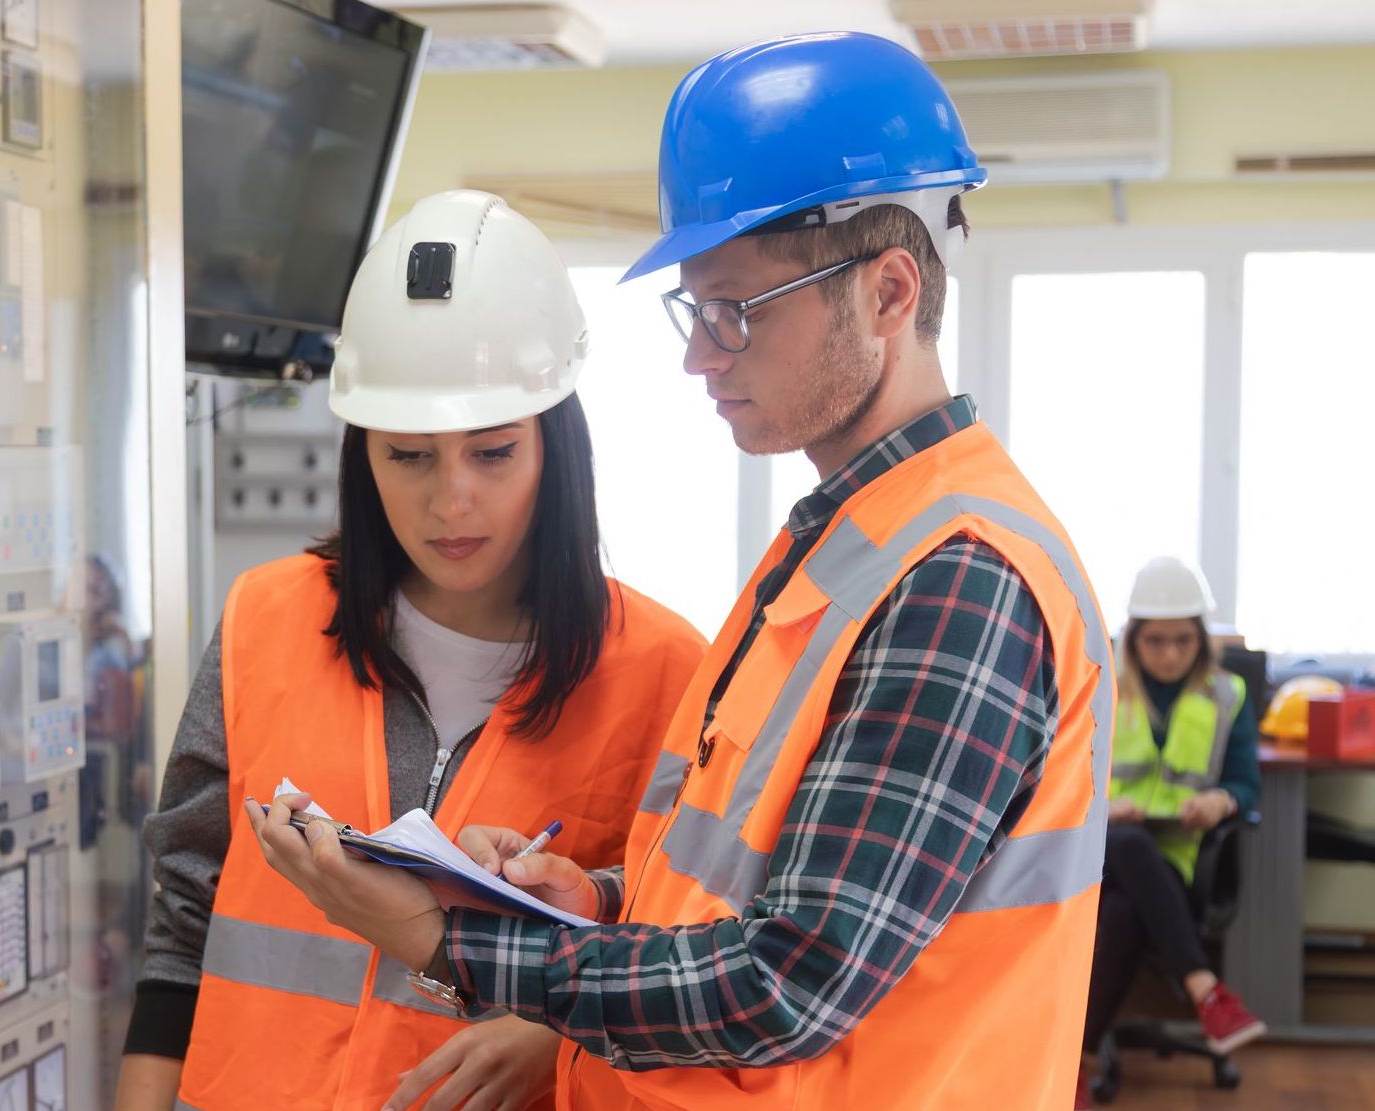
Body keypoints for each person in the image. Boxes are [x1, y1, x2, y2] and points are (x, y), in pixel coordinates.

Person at [249, 31, 1115, 1110]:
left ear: (890, 292)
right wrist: (603, 897)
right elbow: (763, 886)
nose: (701, 355)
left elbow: (788, 982)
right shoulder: (843, 541)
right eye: (693, 310)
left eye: (735, 311)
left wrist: (447, 938)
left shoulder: (962, 584)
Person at [115, 190, 706, 1111]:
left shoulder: (666, 669)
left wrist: (555, 1028)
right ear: (363, 455)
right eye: (410, 455)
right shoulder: (266, 618)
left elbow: (687, 954)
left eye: (493, 453)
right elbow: (181, 920)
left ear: (557, 447)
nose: (451, 501)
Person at [1077, 557, 1264, 1107]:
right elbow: (1065, 777)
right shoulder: (1100, 685)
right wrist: (1103, 807)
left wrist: (1222, 798)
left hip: (1175, 872)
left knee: (1126, 911)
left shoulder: (1228, 695)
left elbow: (1247, 785)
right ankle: (1205, 989)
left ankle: (1076, 1060)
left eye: (1182, 641)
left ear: (1200, 640)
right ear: (1133, 640)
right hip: (1100, 857)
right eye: (1155, 641)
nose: (1169, 654)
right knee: (1127, 844)